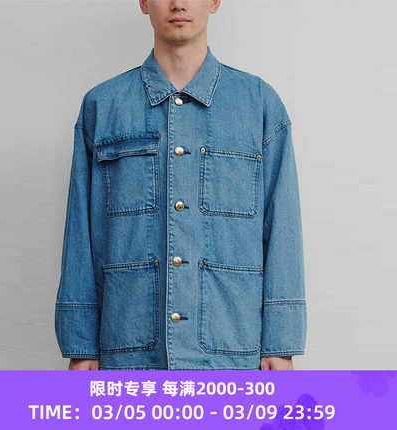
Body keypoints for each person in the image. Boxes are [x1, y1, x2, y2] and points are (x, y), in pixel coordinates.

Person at [54, 0, 307, 371]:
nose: (178, 4)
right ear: (144, 2)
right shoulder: (102, 106)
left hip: (233, 351)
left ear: (214, 2)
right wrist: (81, 345)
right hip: (128, 350)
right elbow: (81, 233)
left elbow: (283, 228)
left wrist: (280, 343)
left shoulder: (259, 105)